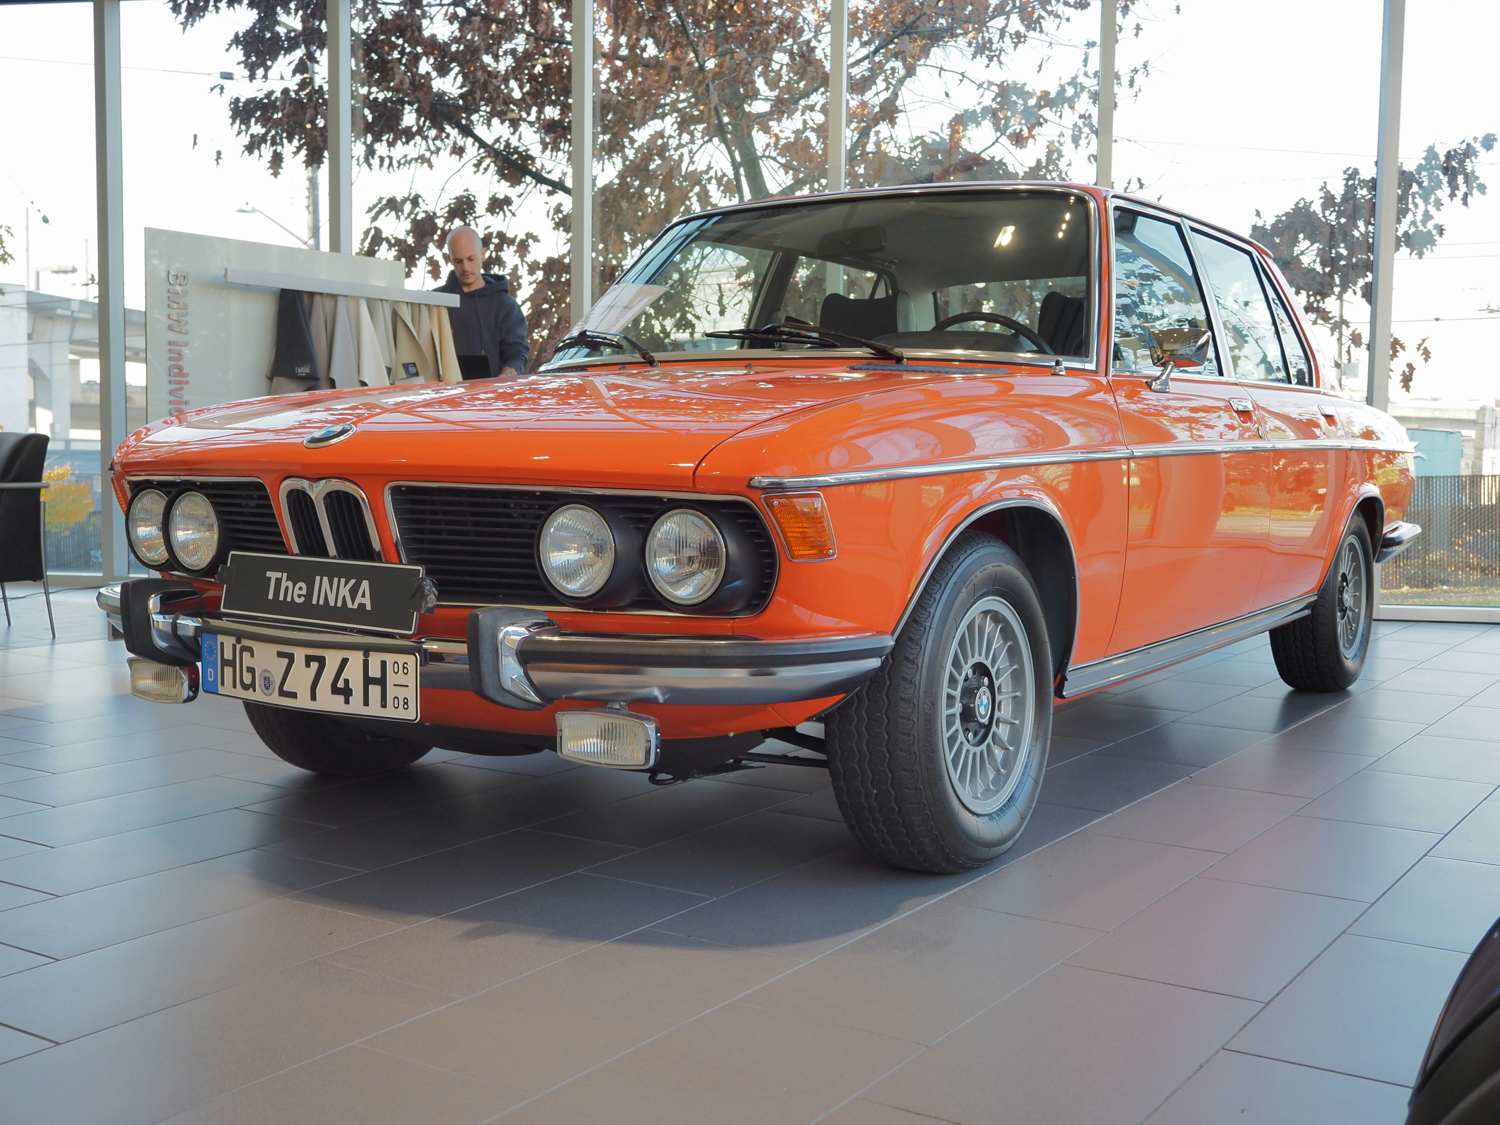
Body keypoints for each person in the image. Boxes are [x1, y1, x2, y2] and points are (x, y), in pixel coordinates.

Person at [436, 226, 530, 379]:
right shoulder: (434, 302)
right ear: (449, 259)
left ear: (483, 254)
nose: (465, 267)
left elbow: (517, 353)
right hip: (441, 392)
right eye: (458, 261)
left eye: (471, 259)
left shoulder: (505, 305)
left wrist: (503, 379)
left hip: (488, 392)